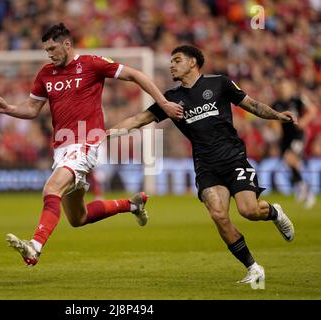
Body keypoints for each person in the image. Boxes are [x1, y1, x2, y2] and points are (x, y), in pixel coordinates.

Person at [0, 23, 182, 266]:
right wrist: (9, 109)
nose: (49, 54)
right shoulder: (46, 74)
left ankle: (34, 246)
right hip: (61, 148)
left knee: (51, 189)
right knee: (78, 218)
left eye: (53, 48)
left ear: (67, 44)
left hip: (85, 142)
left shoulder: (92, 64)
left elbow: (136, 75)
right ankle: (131, 204)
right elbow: (31, 109)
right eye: (46, 50)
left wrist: (162, 102)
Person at [107, 45, 296, 284]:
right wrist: (105, 134)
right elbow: (138, 119)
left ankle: (274, 212)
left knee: (248, 210)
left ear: (193, 62)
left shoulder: (220, 84)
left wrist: (278, 116)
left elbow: (253, 105)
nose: (171, 65)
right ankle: (253, 268)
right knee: (218, 214)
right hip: (206, 166)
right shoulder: (171, 99)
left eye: (177, 60)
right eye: (171, 61)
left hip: (233, 158)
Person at [272, 79, 317, 209]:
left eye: (285, 87)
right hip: (285, 138)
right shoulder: (276, 104)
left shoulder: (298, 99)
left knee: (290, 158)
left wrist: (304, 121)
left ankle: (308, 192)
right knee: (289, 163)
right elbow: (271, 119)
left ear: (291, 88)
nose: (283, 90)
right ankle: (301, 188)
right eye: (280, 87)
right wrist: (275, 127)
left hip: (298, 135)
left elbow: (312, 110)